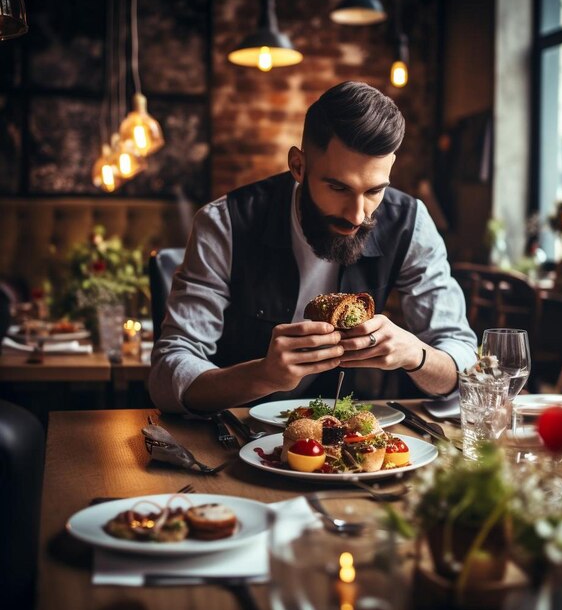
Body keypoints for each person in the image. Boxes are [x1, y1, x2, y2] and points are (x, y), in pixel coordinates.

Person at [150, 81, 477, 414]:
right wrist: (263, 375)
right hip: (233, 437)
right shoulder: (224, 223)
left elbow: (466, 367)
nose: (357, 215)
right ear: (298, 166)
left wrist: (416, 354)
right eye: (338, 187)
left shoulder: (410, 222)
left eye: (374, 191)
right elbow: (167, 374)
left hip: (352, 442)